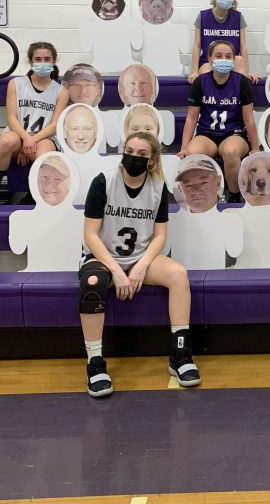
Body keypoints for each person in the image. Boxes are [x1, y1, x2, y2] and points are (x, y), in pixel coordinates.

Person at [79, 131, 200, 396]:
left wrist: (141, 266)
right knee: (92, 282)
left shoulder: (158, 189)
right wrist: (116, 271)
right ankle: (95, 363)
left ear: (152, 161)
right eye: (130, 151)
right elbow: (90, 235)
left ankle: (180, 355)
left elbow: (160, 237)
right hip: (103, 257)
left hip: (140, 258)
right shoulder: (104, 182)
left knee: (179, 274)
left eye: (142, 154)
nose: (134, 157)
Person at [0, 42, 67, 208]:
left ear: (54, 61)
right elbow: (11, 118)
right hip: (19, 134)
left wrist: (32, 141)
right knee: (7, 141)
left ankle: (34, 194)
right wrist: (25, 139)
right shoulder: (16, 84)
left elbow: (54, 125)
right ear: (30, 61)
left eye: (47, 59)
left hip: (44, 138)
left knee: (44, 152)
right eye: (38, 59)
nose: (42, 62)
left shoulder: (61, 91)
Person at [180, 39, 259, 201]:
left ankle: (235, 195)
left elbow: (249, 119)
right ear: (210, 60)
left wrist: (256, 147)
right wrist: (184, 147)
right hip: (206, 133)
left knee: (230, 151)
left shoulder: (242, 82)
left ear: (233, 59)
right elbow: (191, 117)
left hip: (234, 133)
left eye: (228, 56)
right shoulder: (201, 83)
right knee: (193, 153)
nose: (223, 59)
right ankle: (206, 197)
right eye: (218, 55)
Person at [189, 0, 255, 82]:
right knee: (206, 77)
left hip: (231, 61)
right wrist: (194, 71)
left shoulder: (238, 17)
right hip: (209, 61)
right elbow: (197, 46)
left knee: (240, 62)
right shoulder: (203, 16)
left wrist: (246, 72)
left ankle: (237, 97)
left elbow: (243, 46)